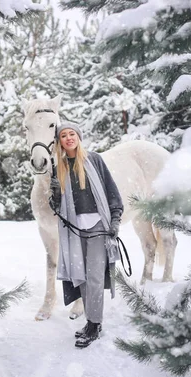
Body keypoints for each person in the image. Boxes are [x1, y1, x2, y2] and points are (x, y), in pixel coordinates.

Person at [48, 121, 123, 348]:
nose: (69, 138)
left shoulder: (95, 160)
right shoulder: (58, 167)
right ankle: (92, 321)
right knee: (80, 274)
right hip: (74, 229)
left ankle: (94, 323)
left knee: (95, 276)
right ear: (59, 141)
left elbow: (112, 192)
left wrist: (115, 219)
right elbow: (57, 206)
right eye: (64, 136)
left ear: (79, 137)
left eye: (72, 134)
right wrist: (53, 192)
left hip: (99, 226)